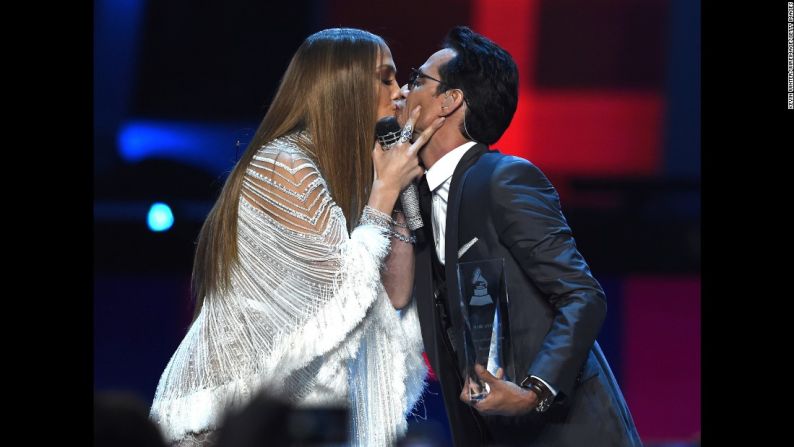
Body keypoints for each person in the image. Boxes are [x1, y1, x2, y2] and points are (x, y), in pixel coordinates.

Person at [149, 28, 445, 446]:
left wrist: (391, 192)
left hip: (287, 425)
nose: (399, 94)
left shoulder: (355, 179)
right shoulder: (283, 165)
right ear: (342, 86)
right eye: (385, 78)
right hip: (223, 425)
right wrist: (383, 194)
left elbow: (393, 296)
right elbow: (340, 293)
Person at [400, 26, 643, 446]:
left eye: (418, 80)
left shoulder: (504, 180)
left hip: (568, 433)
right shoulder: (415, 196)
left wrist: (535, 392)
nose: (404, 90)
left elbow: (582, 295)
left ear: (450, 101)